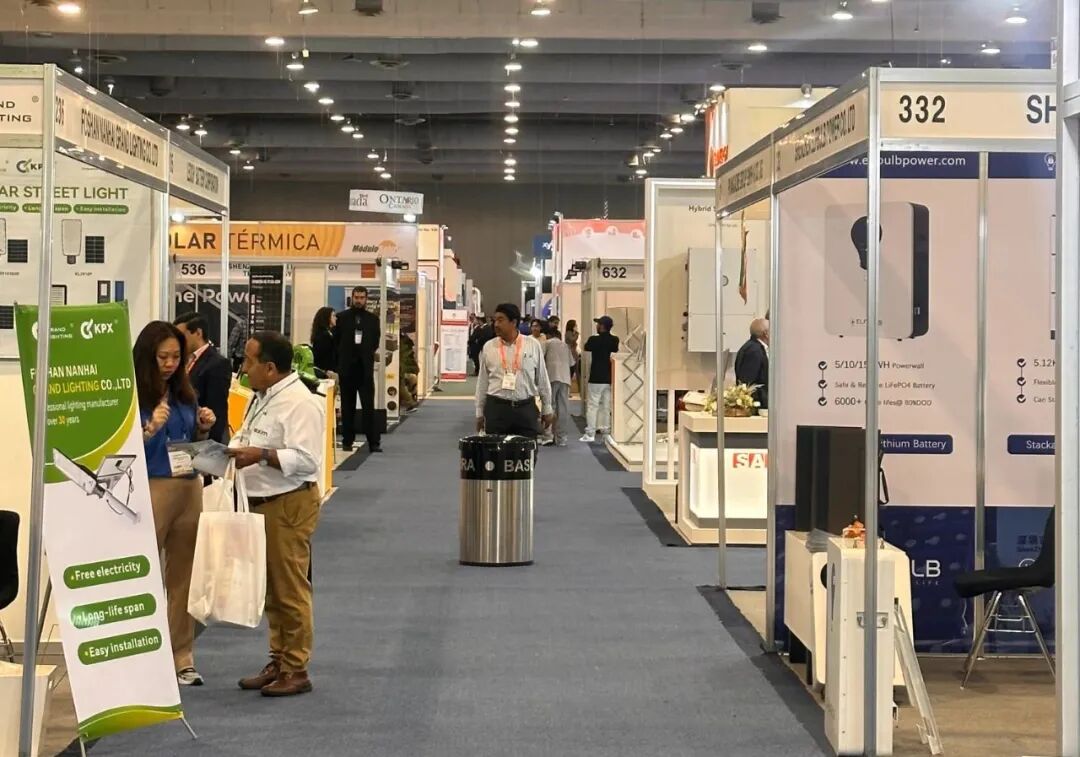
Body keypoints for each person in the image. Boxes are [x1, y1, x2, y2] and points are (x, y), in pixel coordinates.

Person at [230, 332, 324, 697]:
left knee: (289, 589)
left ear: (270, 368)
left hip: (288, 504)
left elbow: (307, 461)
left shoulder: (300, 403)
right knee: (271, 590)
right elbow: (248, 437)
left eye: (249, 361)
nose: (244, 368)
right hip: (260, 503)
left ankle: (296, 668)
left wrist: (261, 456)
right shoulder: (263, 396)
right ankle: (279, 659)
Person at [133, 321, 216, 687]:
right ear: (147, 357)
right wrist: (148, 429)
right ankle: (142, 656)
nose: (169, 364)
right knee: (145, 575)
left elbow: (192, 442)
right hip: (152, 488)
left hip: (188, 488)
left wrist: (203, 427)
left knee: (183, 578)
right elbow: (121, 452)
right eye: (162, 357)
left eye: (176, 357)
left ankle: (182, 656)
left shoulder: (184, 394)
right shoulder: (133, 396)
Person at [475, 303, 554, 438]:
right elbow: (482, 381)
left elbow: (542, 378)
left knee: (526, 450)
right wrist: (479, 411)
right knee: (495, 450)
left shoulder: (532, 345)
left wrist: (547, 407)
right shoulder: (489, 347)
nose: (496, 324)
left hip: (525, 409)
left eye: (501, 320)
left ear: (514, 322)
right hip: (497, 409)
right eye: (495, 320)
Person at [333, 286, 382, 453]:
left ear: (366, 299)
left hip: (365, 369)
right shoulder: (341, 318)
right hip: (347, 369)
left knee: (369, 407)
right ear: (352, 298)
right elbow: (336, 342)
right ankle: (347, 440)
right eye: (356, 297)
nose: (359, 300)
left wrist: (365, 354)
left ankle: (373, 442)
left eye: (362, 297)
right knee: (347, 407)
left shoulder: (373, 320)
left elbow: (375, 341)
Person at [173, 312, 231, 444]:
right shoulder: (182, 360)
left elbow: (217, 409)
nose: (178, 342)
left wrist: (209, 444)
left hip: (203, 439)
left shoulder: (217, 364)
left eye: (181, 336)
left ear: (198, 333)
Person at [580, 315, 620, 443]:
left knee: (593, 406)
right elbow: (615, 350)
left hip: (595, 377)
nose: (596, 326)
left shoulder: (593, 339)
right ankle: (606, 432)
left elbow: (586, 347)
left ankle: (590, 432)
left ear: (602, 326)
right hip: (608, 378)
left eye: (598, 324)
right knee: (606, 406)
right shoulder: (614, 340)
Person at [542, 329, 573, 446]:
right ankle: (562, 438)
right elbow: (571, 363)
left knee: (549, 406)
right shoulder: (565, 346)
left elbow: (540, 360)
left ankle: (548, 435)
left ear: (549, 335)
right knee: (563, 408)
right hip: (565, 378)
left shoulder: (547, 343)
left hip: (551, 377)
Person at [734, 317, 769, 409]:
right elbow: (749, 383)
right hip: (757, 405)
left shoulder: (753, 347)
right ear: (766, 333)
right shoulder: (754, 351)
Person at [310, 306, 337, 374]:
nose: (336, 318)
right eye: (333, 316)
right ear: (327, 317)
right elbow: (323, 356)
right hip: (325, 371)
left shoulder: (328, 333)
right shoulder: (323, 336)